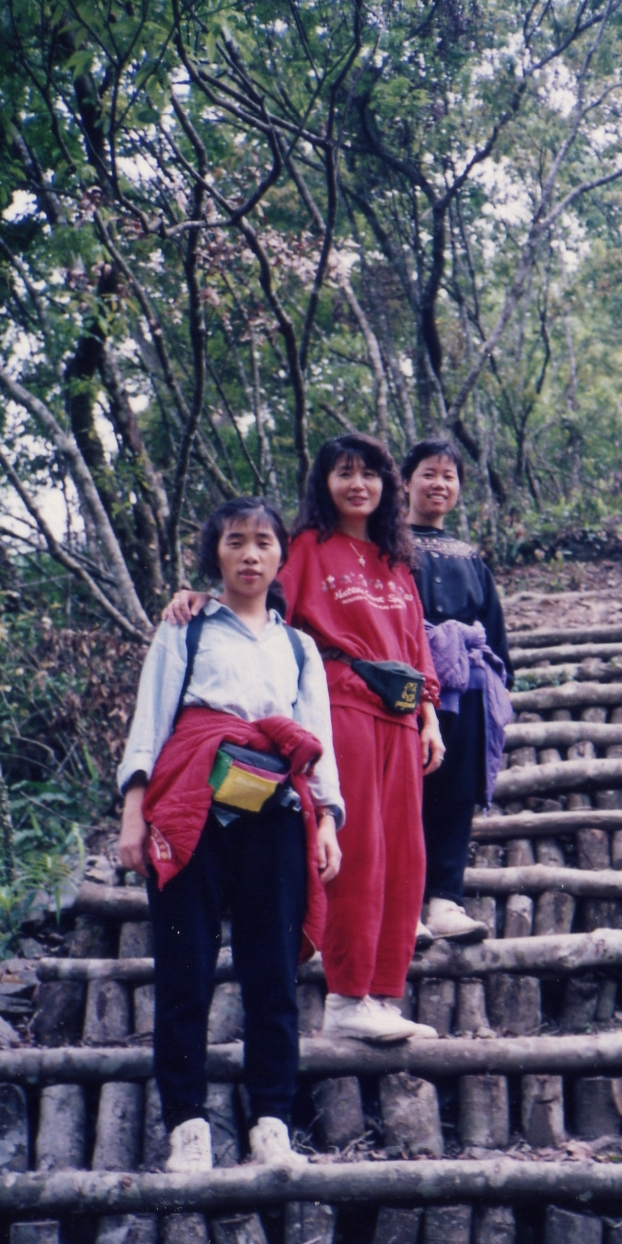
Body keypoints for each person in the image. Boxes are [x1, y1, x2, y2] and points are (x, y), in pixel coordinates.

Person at [165, 434, 445, 1044]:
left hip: (400, 720)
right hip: (343, 708)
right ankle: (346, 997)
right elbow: (255, 600)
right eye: (344, 473)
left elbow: (416, 647)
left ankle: (383, 994)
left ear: (388, 486)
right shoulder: (308, 549)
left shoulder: (397, 560)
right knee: (361, 853)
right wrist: (199, 597)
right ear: (324, 483)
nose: (358, 485)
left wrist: (430, 715)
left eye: (370, 474)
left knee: (405, 858)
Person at [117, 497, 344, 1173]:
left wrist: (327, 819)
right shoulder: (185, 629)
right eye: (235, 541)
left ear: (281, 557)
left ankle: (271, 1122)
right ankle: (187, 1126)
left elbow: (317, 737)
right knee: (183, 970)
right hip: (190, 809)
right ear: (215, 553)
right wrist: (133, 812)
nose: (250, 554)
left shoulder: (298, 647)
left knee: (272, 975)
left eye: (264, 542)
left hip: (275, 815)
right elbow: (152, 718)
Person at [402, 438, 514, 941]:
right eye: (428, 473)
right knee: (406, 792)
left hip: (467, 684)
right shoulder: (385, 547)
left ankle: (444, 902)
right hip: (406, 682)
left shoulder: (471, 557)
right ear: (405, 482)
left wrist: (498, 685)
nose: (439, 484)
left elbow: (493, 629)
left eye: (449, 476)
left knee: (456, 792)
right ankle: (404, 906)